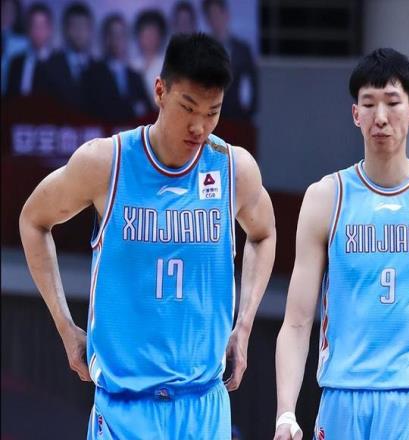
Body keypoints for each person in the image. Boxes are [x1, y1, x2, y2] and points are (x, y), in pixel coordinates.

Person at [19, 33, 276, 439]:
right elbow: (33, 220)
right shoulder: (105, 162)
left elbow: (264, 234)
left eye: (212, 112)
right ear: (160, 91)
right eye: (187, 108)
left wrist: (243, 327)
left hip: (203, 406)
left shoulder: (234, 168)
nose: (199, 126)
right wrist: (65, 327)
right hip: (124, 407)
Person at [274, 48, 409, 440]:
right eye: (368, 104)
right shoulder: (325, 198)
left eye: (392, 103)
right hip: (343, 401)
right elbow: (297, 323)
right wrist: (285, 413)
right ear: (356, 114)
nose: (380, 117)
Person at [85, 13, 152, 123]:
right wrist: (132, 109)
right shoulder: (93, 73)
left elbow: (147, 109)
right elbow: (99, 109)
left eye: (122, 34)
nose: (118, 40)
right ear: (106, 38)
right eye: (113, 34)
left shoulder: (135, 76)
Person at [35, 2, 97, 111]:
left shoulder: (99, 69)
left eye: (83, 26)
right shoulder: (49, 66)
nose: (79, 32)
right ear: (65, 29)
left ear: (90, 30)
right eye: (74, 26)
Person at [202, 0, 257, 120]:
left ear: (226, 15)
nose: (216, 19)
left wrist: (247, 112)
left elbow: (252, 87)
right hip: (210, 119)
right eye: (211, 16)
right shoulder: (203, 50)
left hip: (239, 118)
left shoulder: (243, 50)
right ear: (207, 20)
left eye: (218, 14)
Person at [6, 2, 53, 98]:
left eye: (42, 26)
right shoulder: (16, 63)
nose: (38, 31)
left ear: (49, 29)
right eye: (34, 25)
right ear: (28, 29)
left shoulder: (59, 63)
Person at [132, 9, 168, 108]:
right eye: (146, 33)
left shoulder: (167, 64)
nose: (149, 38)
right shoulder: (132, 66)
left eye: (153, 33)